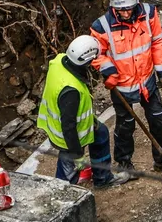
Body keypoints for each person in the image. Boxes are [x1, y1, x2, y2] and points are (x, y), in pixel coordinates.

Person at [90, 0, 162, 172]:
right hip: (122, 85)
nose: (126, 13)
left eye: (129, 9)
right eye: (121, 10)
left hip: (147, 81)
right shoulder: (102, 26)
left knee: (158, 121)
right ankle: (124, 163)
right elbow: (97, 53)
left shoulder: (149, 14)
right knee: (125, 126)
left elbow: (157, 42)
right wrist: (108, 71)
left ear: (136, 3)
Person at [37, 35, 131, 187]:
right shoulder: (70, 91)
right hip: (67, 139)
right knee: (68, 172)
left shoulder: (59, 61)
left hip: (73, 125)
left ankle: (103, 178)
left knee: (101, 134)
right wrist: (77, 155)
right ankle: (60, 196)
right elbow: (69, 127)